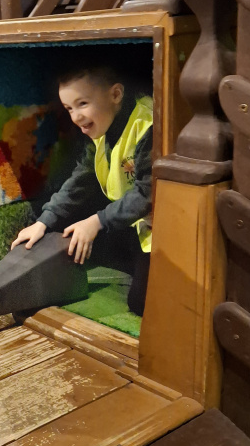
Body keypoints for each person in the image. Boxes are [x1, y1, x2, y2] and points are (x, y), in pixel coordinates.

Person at [10, 63, 154, 315]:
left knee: (142, 303)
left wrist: (96, 222)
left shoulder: (148, 126)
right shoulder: (103, 127)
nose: (75, 117)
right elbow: (81, 179)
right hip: (129, 223)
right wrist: (44, 222)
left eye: (83, 104)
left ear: (116, 94)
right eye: (69, 108)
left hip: (161, 228)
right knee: (84, 246)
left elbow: (148, 194)